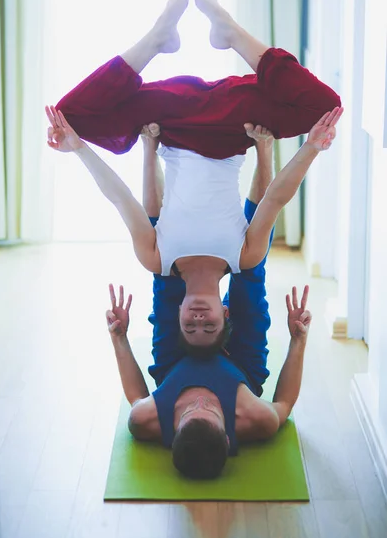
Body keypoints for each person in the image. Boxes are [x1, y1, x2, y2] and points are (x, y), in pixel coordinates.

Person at [46, 104, 342, 353]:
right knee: (324, 102)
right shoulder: (245, 257)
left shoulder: (156, 260)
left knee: (73, 108)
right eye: (209, 325)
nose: (199, 318)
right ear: (225, 313)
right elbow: (273, 199)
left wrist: (79, 148)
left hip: (175, 134)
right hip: (230, 135)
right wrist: (311, 146)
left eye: (190, 325)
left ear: (178, 315)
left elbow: (123, 199)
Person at [105, 129, 311, 480]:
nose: (201, 400)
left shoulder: (145, 422)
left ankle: (150, 147)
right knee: (251, 266)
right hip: (240, 362)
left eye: (189, 410)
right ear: (229, 431)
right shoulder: (255, 419)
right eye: (211, 408)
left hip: (176, 355)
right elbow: (284, 404)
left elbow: (138, 397)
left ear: (173, 428)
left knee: (165, 261)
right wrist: (298, 341)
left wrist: (119, 338)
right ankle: (264, 148)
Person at [54, 0, 341, 159]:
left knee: (68, 118)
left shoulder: (162, 245)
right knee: (326, 109)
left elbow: (69, 117)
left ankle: (157, 39)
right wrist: (304, 147)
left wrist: (75, 142)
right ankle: (231, 34)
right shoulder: (239, 250)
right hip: (236, 121)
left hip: (170, 117)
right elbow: (267, 201)